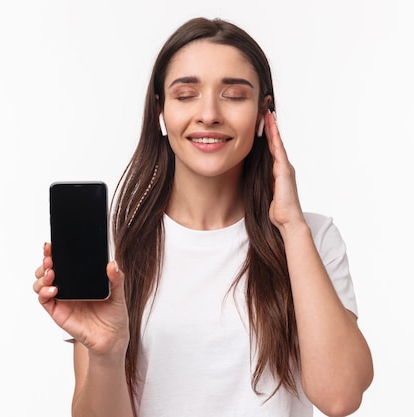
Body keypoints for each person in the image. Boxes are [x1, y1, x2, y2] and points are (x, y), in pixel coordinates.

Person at [33, 17, 373, 417]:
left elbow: (340, 397)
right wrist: (106, 354)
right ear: (160, 110)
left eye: (233, 95)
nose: (209, 114)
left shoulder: (311, 237)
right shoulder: (114, 248)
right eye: (186, 95)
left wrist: (291, 225)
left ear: (265, 114)